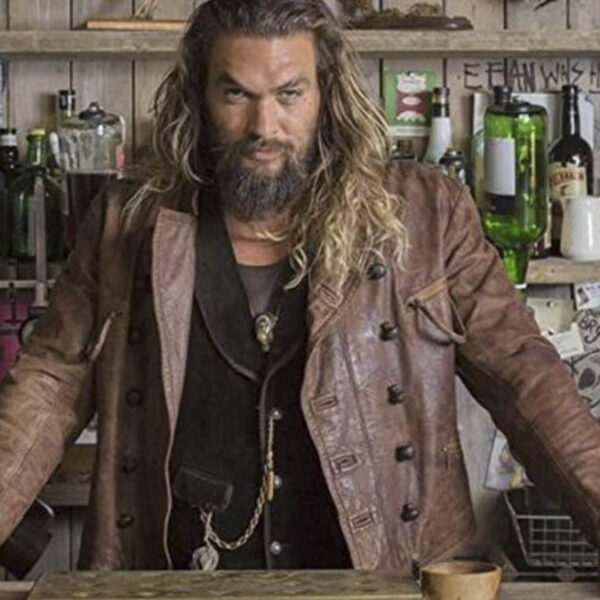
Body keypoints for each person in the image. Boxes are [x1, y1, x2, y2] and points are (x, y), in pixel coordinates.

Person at [1, 0, 600, 574]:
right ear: (199, 95)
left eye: (289, 94)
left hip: (376, 581)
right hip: (178, 583)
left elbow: (526, 378)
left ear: (326, 92)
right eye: (237, 94)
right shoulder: (127, 219)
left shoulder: (426, 212)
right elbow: (47, 389)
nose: (264, 127)